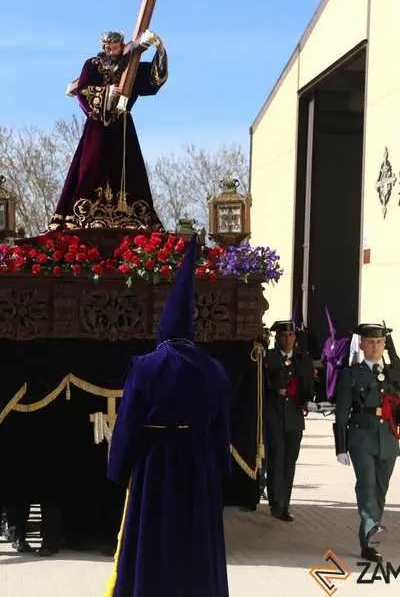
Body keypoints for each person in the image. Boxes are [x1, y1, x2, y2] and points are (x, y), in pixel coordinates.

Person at [105, 233, 230, 597]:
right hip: (198, 464)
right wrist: (219, 469)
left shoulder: (145, 366)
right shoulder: (215, 370)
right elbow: (222, 430)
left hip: (155, 467)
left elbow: (128, 423)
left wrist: (119, 468)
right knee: (194, 547)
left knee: (154, 542)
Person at [48, 30, 167, 231]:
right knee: (91, 167)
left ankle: (132, 216)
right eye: (108, 47)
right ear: (104, 47)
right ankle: (85, 214)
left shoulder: (131, 64)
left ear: (122, 46)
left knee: (129, 169)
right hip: (98, 127)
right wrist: (106, 92)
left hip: (122, 126)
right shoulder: (92, 64)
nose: (112, 50)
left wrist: (159, 48)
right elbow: (82, 90)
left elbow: (154, 80)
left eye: (116, 47)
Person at [334, 323, 400, 563]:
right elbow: (342, 413)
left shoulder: (394, 374)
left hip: (387, 438)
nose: (374, 347)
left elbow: (399, 410)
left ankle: (368, 542)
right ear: (362, 345)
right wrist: (341, 447)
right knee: (366, 485)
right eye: (370, 342)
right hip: (361, 436)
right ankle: (372, 525)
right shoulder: (352, 375)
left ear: (384, 345)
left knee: (380, 490)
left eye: (378, 342)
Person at [263, 320, 315, 522]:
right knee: (276, 457)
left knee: (290, 459)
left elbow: (309, 386)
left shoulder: (303, 359)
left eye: (291, 335)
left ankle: (285, 502)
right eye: (284, 335)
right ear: (277, 338)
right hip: (274, 414)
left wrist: (307, 400)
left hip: (294, 416)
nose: (288, 339)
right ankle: (276, 505)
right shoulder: (269, 358)